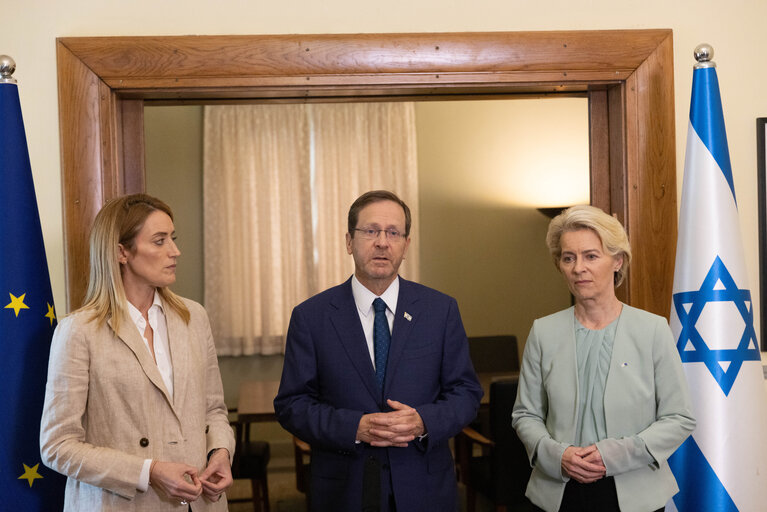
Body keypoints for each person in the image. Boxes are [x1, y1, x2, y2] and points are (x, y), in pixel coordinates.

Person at [274, 190, 483, 512]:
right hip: (345, 488)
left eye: (393, 233)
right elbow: (292, 405)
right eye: (371, 231)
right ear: (349, 242)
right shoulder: (311, 317)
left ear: (406, 245)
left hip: (423, 486)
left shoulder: (440, 310)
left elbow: (466, 392)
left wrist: (422, 421)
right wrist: (354, 427)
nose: (382, 242)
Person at [40, 194, 235, 511]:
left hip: (199, 503)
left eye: (173, 238)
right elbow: (57, 446)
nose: (175, 251)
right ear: (121, 252)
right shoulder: (78, 332)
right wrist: (149, 471)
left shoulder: (194, 317)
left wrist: (221, 453)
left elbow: (214, 411)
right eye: (160, 241)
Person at [511, 205, 696, 512]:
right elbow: (525, 415)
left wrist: (613, 455)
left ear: (617, 261)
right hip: (558, 492)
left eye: (591, 256)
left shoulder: (652, 330)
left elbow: (679, 417)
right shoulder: (543, 332)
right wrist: (559, 455)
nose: (578, 267)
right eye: (568, 257)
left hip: (635, 493)